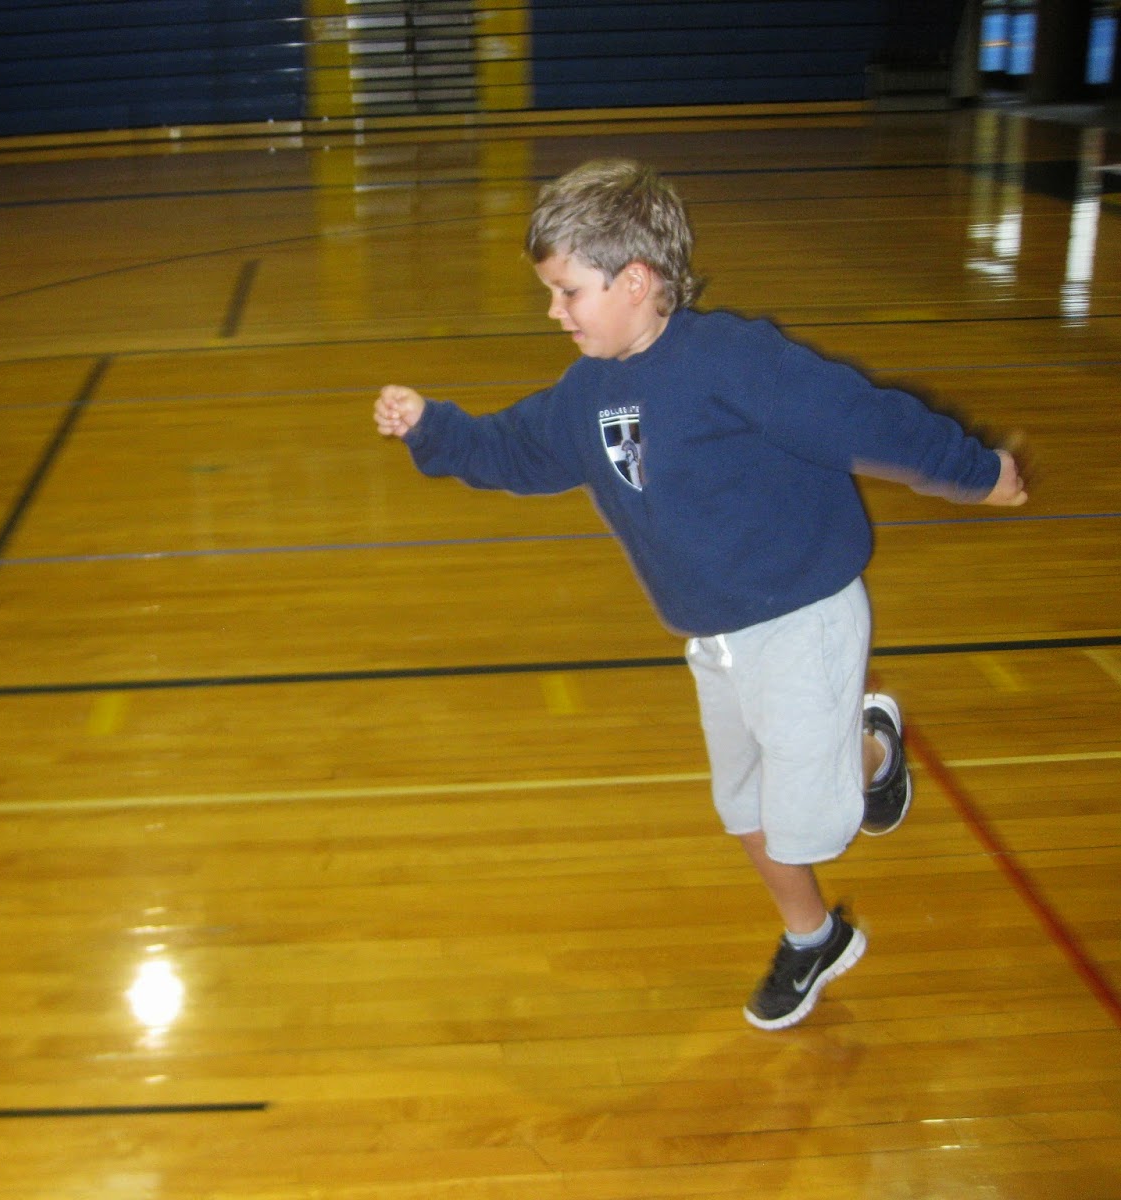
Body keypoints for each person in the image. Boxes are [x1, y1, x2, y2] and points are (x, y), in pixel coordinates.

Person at [372, 158, 1028, 1030]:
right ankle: (814, 936)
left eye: (568, 293)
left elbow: (867, 420)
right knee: (744, 810)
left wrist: (977, 473)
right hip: (718, 640)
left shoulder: (735, 362)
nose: (554, 312)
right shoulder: (586, 394)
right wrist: (435, 429)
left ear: (636, 281)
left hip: (804, 618)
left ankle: (870, 748)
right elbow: (518, 453)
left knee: (810, 827)